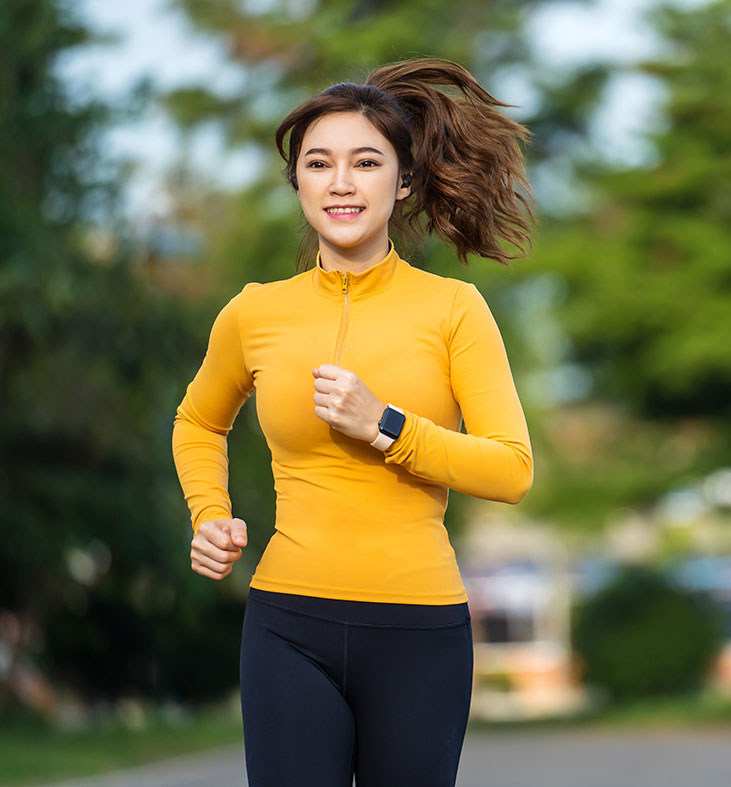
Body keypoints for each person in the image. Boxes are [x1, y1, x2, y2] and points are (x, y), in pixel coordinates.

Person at [171, 57, 535, 787]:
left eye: (366, 162)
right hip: (286, 624)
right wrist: (209, 513)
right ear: (297, 182)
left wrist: (388, 425)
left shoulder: (454, 310)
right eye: (319, 163)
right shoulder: (254, 312)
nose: (341, 182)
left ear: (401, 181)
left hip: (419, 631)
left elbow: (510, 468)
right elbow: (198, 422)